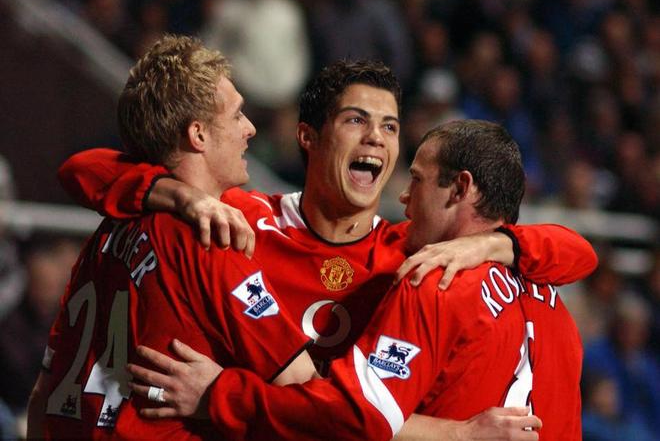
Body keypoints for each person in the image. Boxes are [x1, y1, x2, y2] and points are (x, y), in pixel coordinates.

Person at [57, 60, 597, 438]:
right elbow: (84, 170)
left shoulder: (412, 257)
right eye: (356, 120)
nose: (376, 138)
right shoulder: (241, 221)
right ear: (308, 137)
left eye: (389, 126)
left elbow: (577, 253)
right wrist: (179, 195)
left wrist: (494, 243)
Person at [26, 35, 317, 440]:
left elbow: (42, 394)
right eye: (237, 115)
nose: (250, 129)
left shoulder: (105, 234)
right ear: (198, 134)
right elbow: (305, 392)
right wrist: (220, 394)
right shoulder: (208, 240)